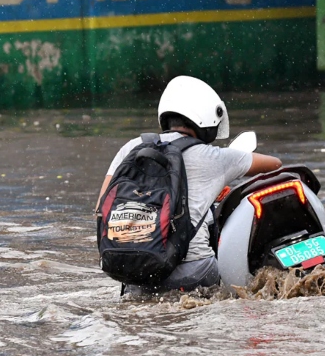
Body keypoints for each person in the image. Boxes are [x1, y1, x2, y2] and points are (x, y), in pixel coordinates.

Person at [96, 76, 282, 293]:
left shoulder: (130, 148)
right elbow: (274, 164)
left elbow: (101, 208)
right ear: (207, 118)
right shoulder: (214, 157)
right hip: (195, 273)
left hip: (135, 277)